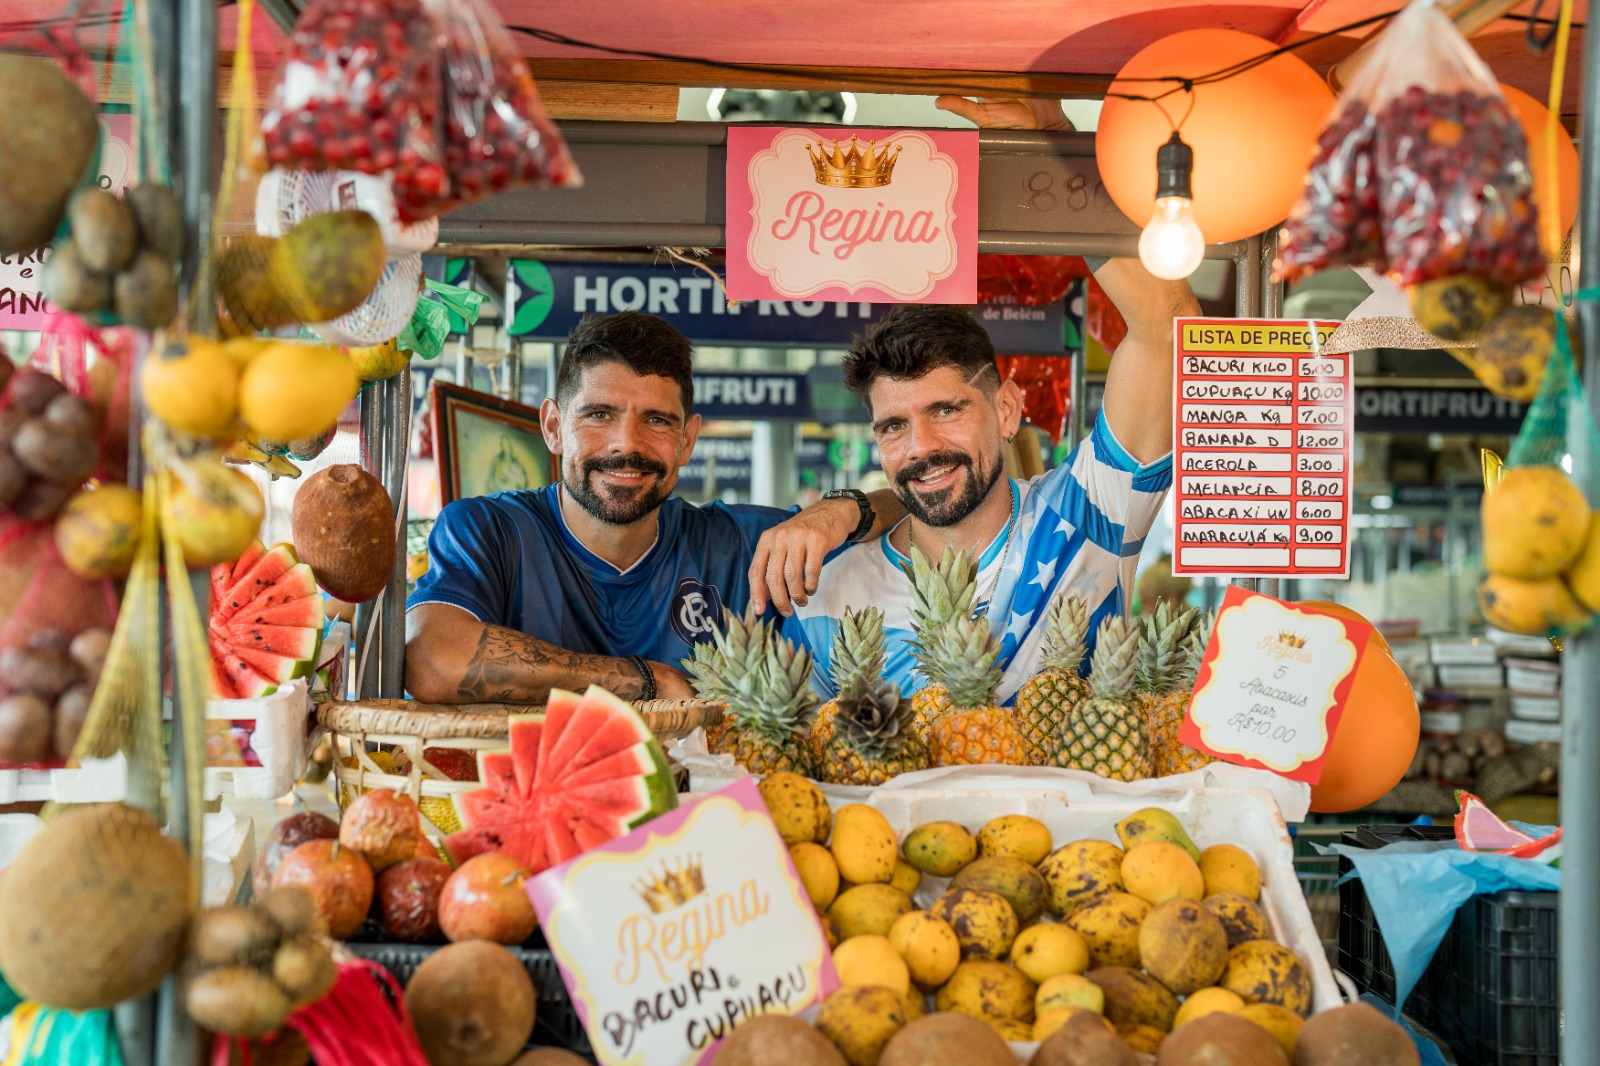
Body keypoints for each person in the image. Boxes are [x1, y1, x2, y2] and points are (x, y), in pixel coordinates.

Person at [405, 311, 903, 705]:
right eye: (599, 415)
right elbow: (432, 662)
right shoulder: (490, 530)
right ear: (554, 428)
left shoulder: (737, 544)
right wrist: (645, 680)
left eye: (657, 421)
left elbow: (911, 505)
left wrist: (839, 511)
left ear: (687, 440)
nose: (627, 444)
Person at [774, 260, 1198, 702]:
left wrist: (1069, 212)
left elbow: (1168, 326)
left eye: (946, 410)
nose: (921, 447)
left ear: (1006, 410)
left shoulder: (1088, 511)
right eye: (894, 426)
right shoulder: (822, 594)